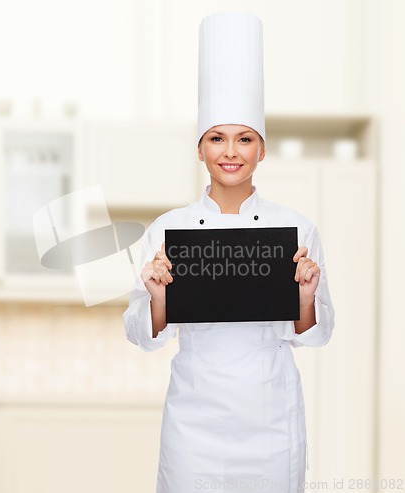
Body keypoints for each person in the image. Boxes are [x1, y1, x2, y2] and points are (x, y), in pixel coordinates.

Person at [122, 12, 335, 493]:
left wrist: (305, 294)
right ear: (200, 149)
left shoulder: (297, 227)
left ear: (262, 149)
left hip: (271, 421)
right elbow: (144, 336)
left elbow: (316, 337)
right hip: (194, 424)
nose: (230, 151)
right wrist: (158, 296)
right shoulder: (168, 229)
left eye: (245, 139)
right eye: (216, 138)